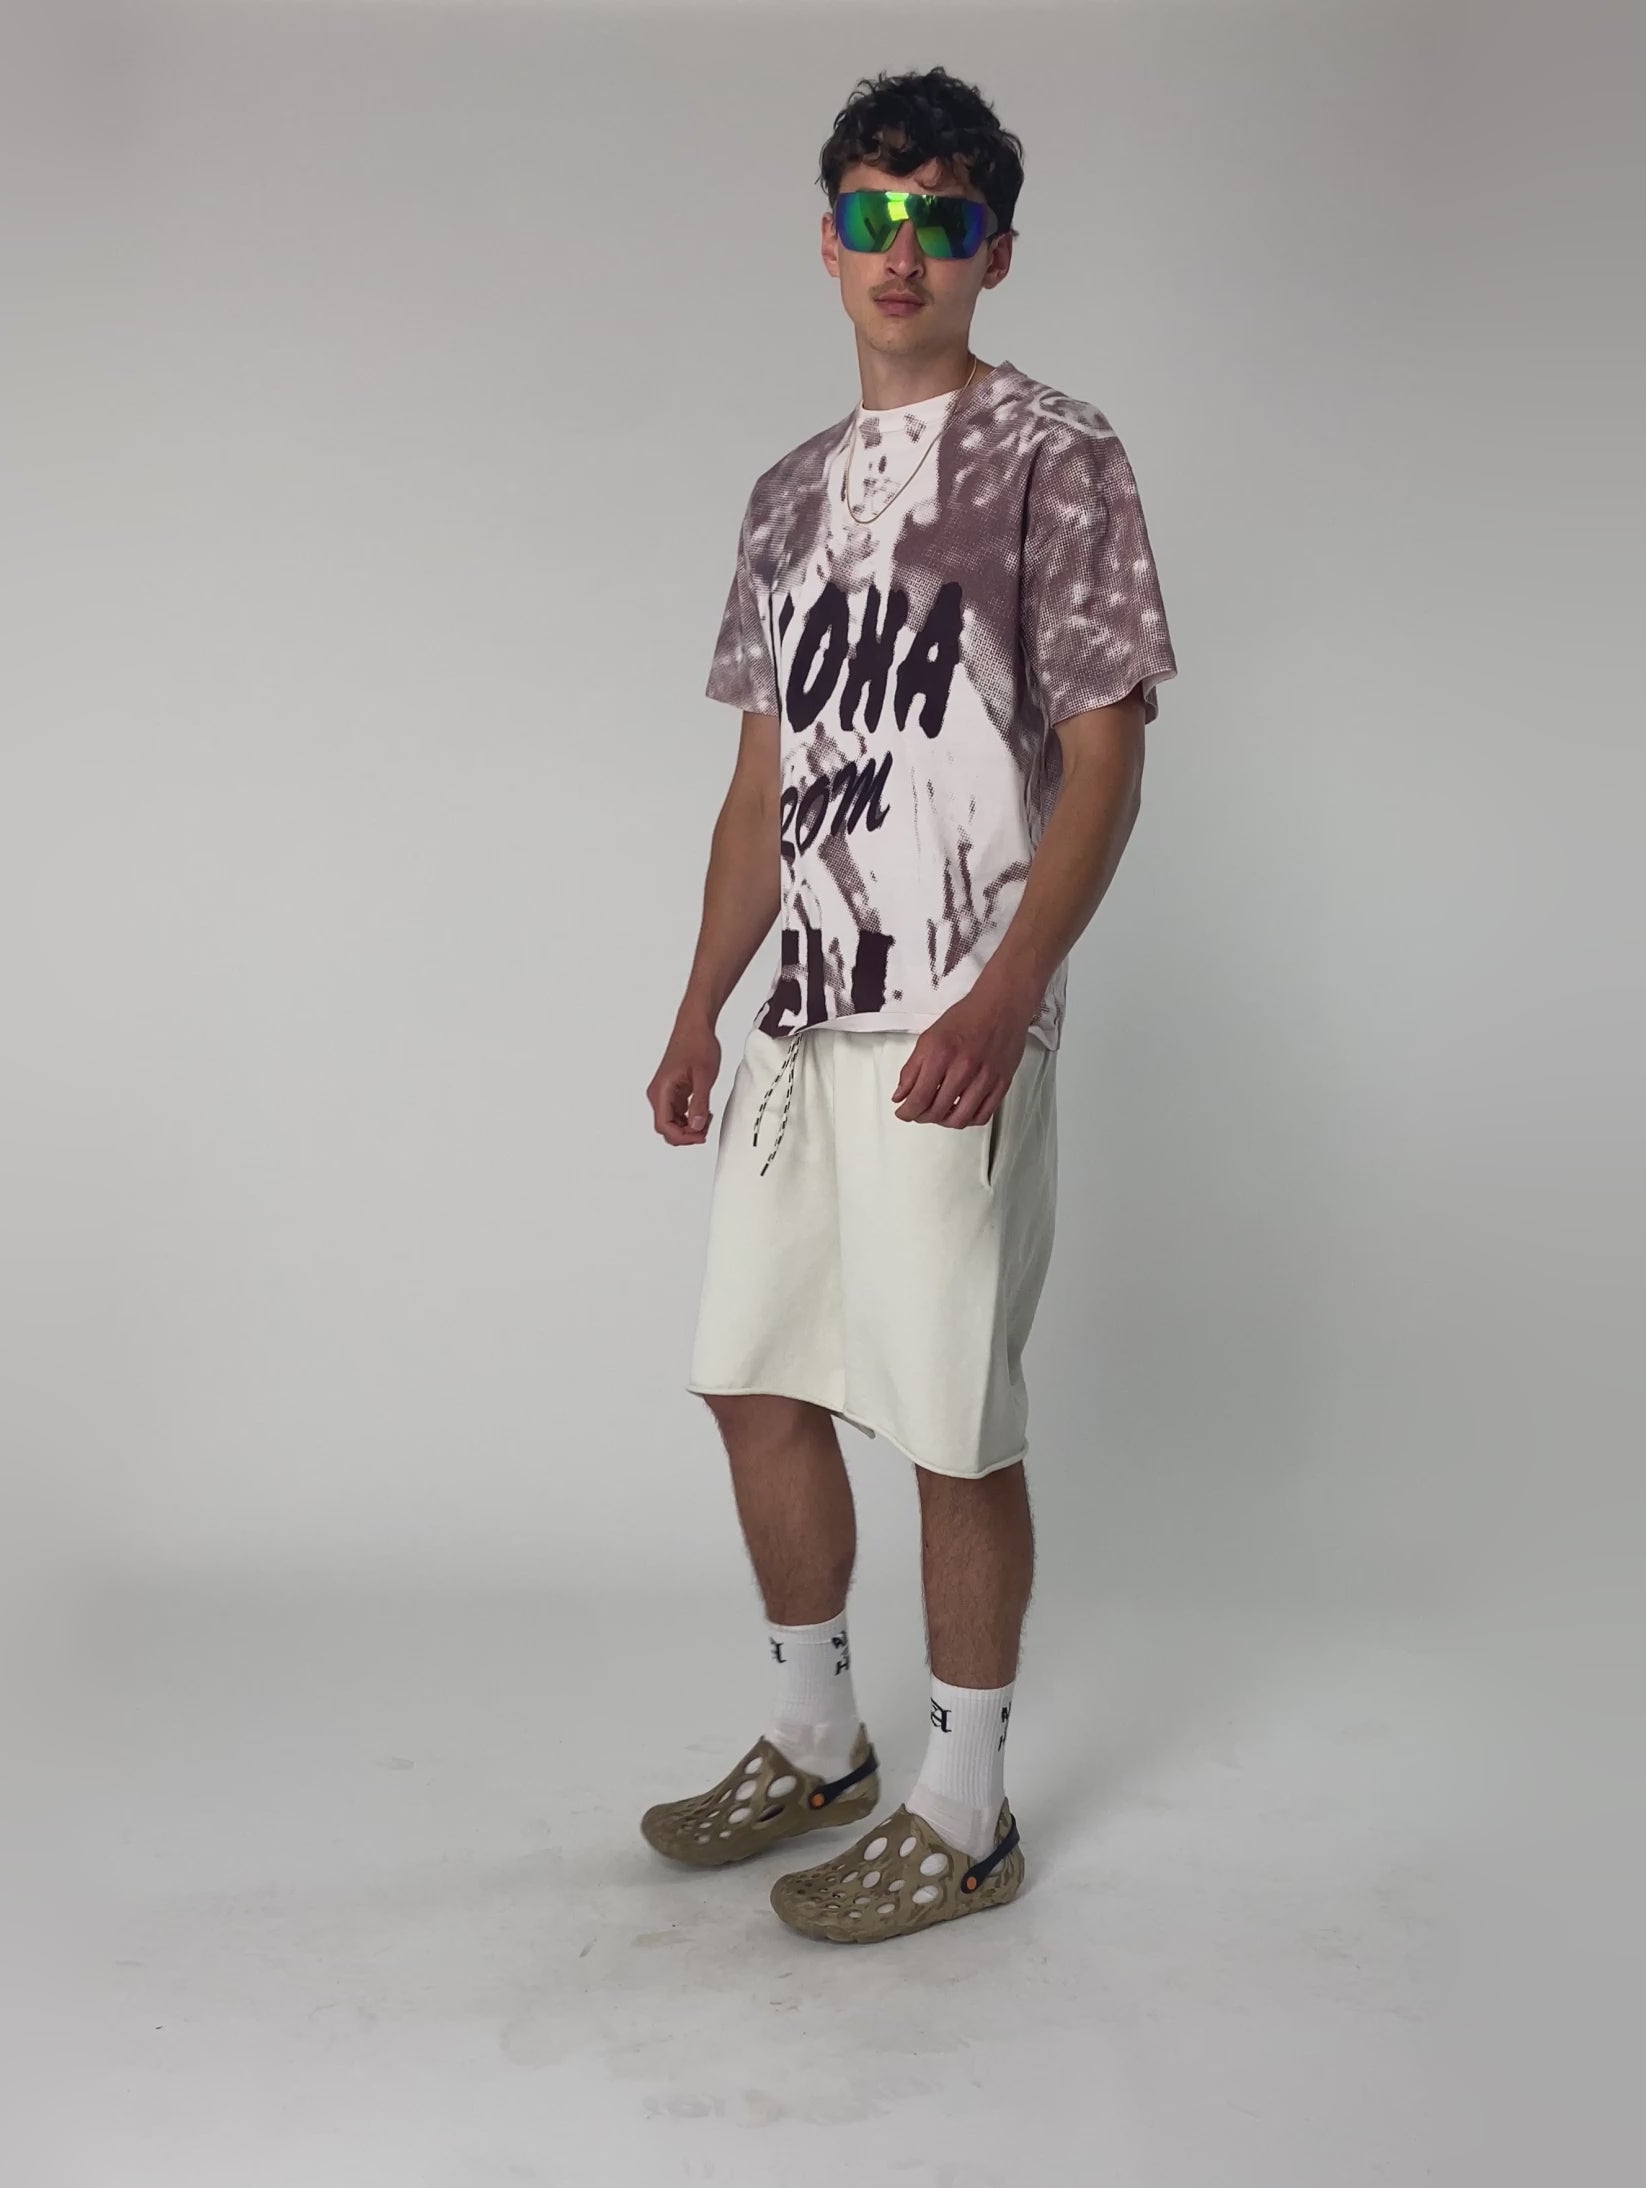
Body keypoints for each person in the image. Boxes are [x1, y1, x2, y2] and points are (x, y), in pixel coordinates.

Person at [641, 65, 1178, 1945]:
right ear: (826, 240)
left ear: (991, 253)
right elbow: (759, 788)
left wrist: (1009, 991)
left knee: (951, 1417)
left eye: (940, 220)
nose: (901, 251)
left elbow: (1107, 761)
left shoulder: (1054, 456)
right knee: (754, 1382)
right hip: (804, 1020)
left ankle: (965, 1809)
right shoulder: (786, 498)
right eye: (872, 215)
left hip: (958, 1016)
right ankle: (819, 1742)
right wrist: (697, 1008)